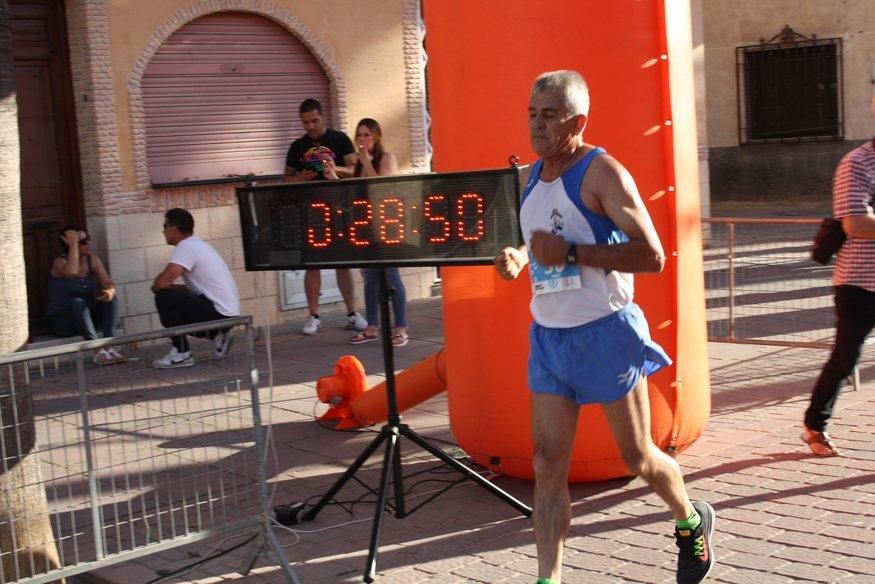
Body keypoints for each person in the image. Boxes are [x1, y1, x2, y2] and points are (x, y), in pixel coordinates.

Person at [493, 70, 715, 584]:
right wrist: (520, 257)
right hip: (550, 338)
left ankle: (690, 519)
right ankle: (549, 579)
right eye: (532, 113)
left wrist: (570, 252)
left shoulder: (603, 173)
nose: (537, 125)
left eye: (550, 115)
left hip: (605, 332)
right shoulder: (531, 174)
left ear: (578, 120)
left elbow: (652, 255)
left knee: (639, 457)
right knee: (548, 464)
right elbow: (543, 239)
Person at [802, 113, 875, 456]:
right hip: (861, 283)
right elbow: (856, 224)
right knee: (845, 359)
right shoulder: (858, 162)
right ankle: (815, 426)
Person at [283, 98, 367, 336]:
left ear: (323, 117)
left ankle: (352, 313)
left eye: (314, 121)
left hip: (339, 207)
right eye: (305, 122)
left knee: (343, 262)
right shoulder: (297, 146)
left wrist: (334, 169)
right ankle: (313, 316)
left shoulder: (339, 139)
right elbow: (286, 180)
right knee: (313, 264)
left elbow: (354, 171)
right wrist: (304, 178)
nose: (310, 126)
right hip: (310, 210)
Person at [344, 118, 409, 347]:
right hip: (367, 227)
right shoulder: (361, 163)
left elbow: (381, 187)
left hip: (388, 226)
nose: (362, 140)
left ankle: (400, 327)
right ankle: (372, 326)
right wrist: (334, 174)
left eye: (366, 135)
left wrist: (365, 161)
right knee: (370, 278)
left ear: (376, 137)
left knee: (391, 277)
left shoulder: (386, 158)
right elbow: (358, 188)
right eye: (358, 135)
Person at [151, 208, 239, 369]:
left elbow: (161, 284)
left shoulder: (186, 247)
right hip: (227, 313)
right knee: (176, 293)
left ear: (174, 229)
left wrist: (158, 284)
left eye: (165, 226)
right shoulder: (196, 244)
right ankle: (218, 337)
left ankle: (182, 352)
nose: (163, 231)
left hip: (219, 314)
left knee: (164, 297)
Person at [45, 227, 125, 365]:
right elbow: (72, 271)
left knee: (111, 299)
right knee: (77, 302)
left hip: (85, 318)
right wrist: (74, 245)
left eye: (88, 239)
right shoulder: (59, 263)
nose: (88, 243)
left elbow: (107, 282)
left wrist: (110, 291)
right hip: (63, 322)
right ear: (70, 244)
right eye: (82, 241)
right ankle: (97, 350)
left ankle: (108, 346)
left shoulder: (92, 260)